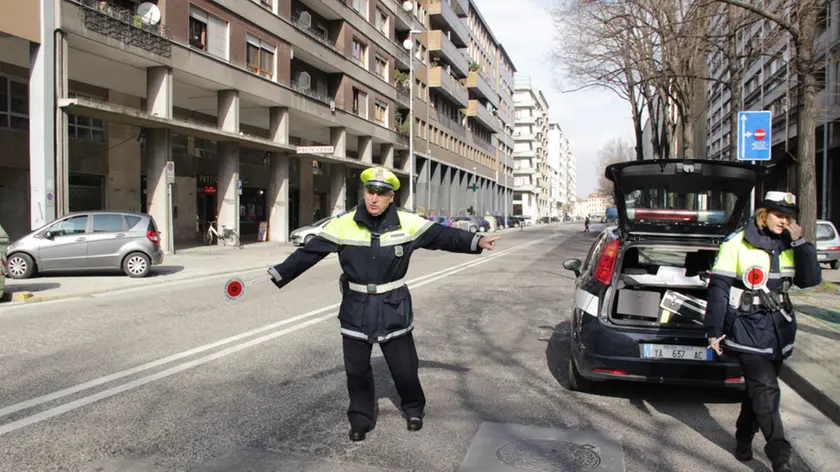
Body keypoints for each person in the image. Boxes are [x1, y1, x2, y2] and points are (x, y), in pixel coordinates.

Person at [267, 166, 502, 442]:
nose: (374, 198)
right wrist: (279, 273)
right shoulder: (344, 223)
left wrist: (476, 240)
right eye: (370, 191)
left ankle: (413, 408)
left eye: (381, 193)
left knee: (404, 368)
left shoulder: (408, 222)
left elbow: (443, 236)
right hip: (356, 305)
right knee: (357, 371)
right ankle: (360, 419)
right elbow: (310, 252)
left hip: (393, 305)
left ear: (391, 197)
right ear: (364, 192)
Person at [705, 191, 821, 472]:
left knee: (757, 391)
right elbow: (719, 290)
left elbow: (810, 280)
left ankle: (744, 436)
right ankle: (779, 452)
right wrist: (713, 330)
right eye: (779, 215)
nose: (784, 221)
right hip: (746, 327)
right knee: (766, 389)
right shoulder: (737, 243)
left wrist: (802, 243)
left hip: (779, 329)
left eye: (788, 217)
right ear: (763, 214)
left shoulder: (790, 243)